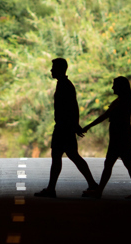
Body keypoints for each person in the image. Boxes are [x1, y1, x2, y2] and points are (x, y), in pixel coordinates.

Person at [33, 58, 100, 198]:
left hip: (64, 127)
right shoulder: (64, 84)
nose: (51, 70)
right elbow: (73, 107)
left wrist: (74, 125)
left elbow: (71, 107)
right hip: (66, 127)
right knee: (69, 156)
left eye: (53, 67)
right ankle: (91, 183)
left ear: (60, 69)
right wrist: (75, 125)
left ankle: (52, 189)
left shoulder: (65, 85)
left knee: (60, 157)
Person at [81, 76, 131, 199]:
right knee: (123, 164)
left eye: (114, 85)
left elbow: (104, 116)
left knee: (111, 164)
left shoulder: (120, 102)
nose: (112, 87)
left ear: (120, 87)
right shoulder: (125, 101)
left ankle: (99, 192)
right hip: (122, 137)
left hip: (118, 138)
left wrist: (88, 126)